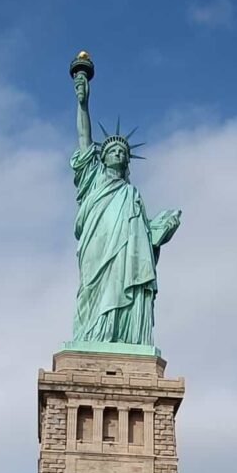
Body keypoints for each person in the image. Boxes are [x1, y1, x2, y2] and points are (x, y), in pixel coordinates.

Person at [70, 68, 181, 345]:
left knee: (124, 283)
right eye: (112, 151)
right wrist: (82, 103)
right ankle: (93, 336)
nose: (118, 153)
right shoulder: (93, 179)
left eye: (122, 152)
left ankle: (125, 338)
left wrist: (161, 229)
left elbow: (144, 239)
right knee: (92, 290)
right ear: (103, 158)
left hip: (125, 254)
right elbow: (84, 139)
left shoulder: (132, 194)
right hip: (97, 248)